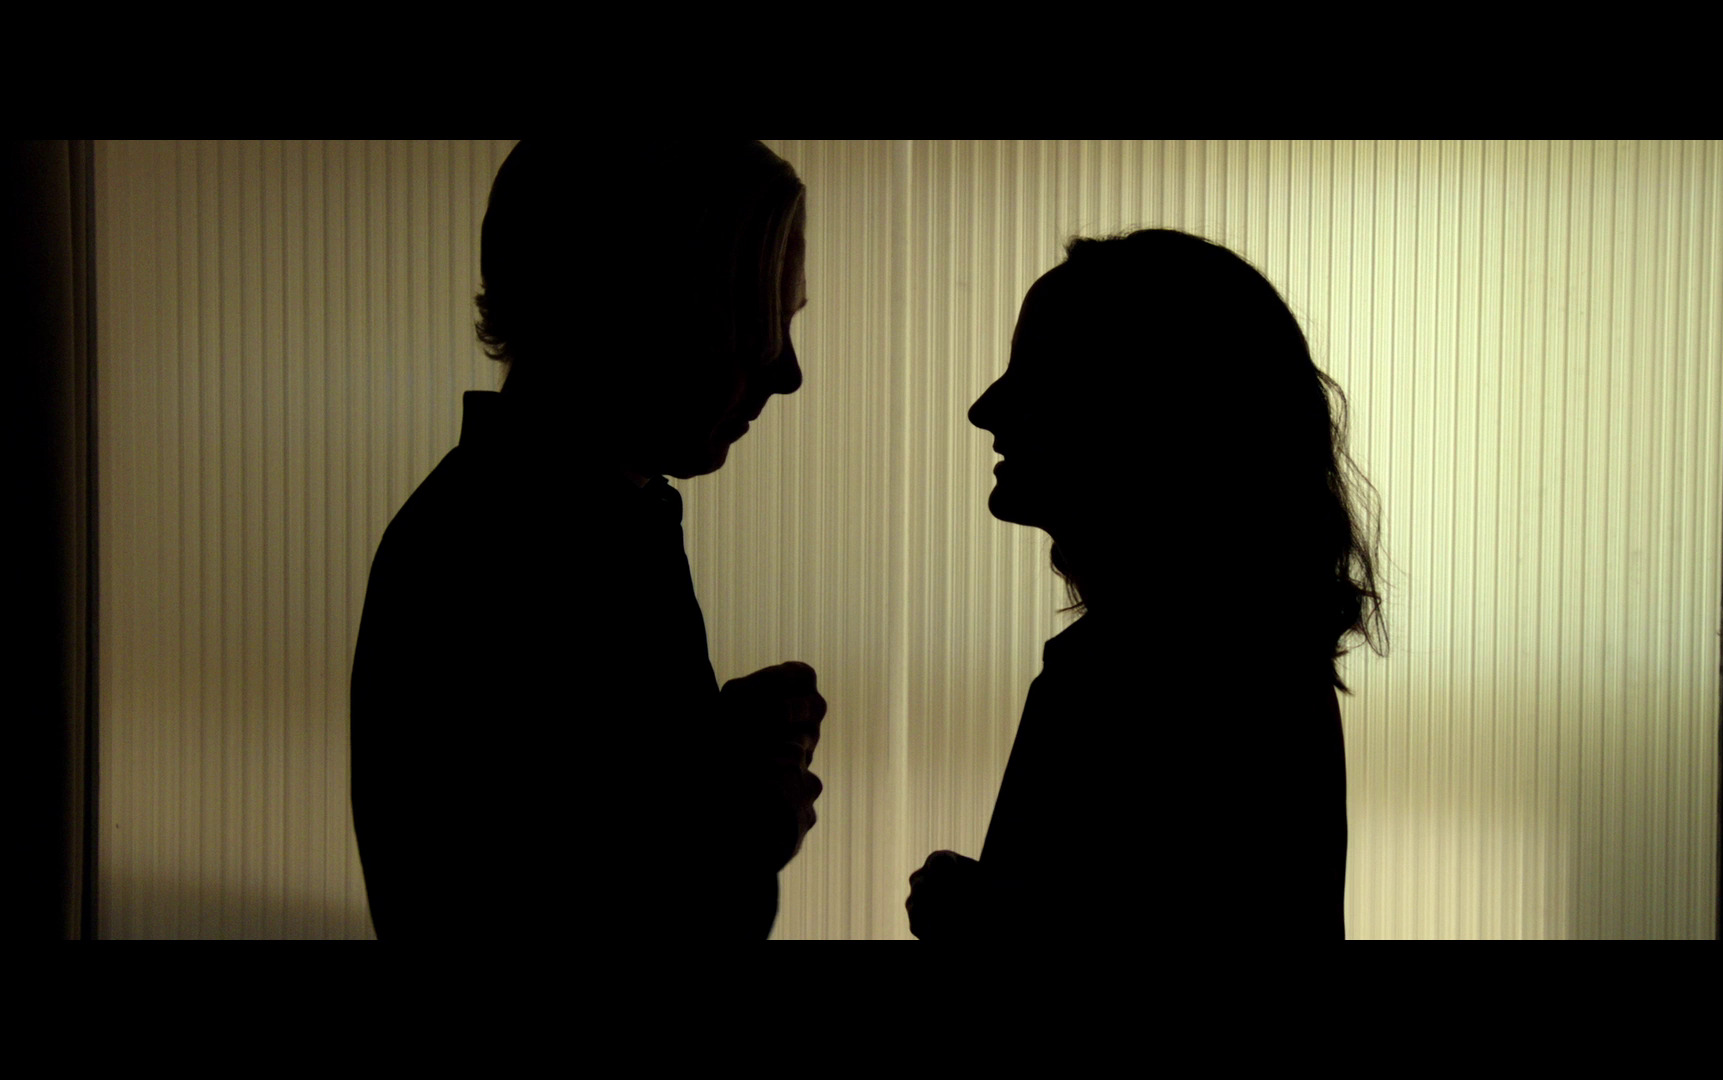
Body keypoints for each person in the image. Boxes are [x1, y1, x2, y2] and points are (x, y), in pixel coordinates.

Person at [350, 141, 824, 940]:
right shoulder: (504, 558)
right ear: (630, 313)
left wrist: (704, 757)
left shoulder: (593, 523)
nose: (786, 372)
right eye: (754, 321)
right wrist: (743, 818)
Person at [904, 228, 1386, 940]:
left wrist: (985, 918)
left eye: (1038, 374)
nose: (986, 408)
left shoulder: (1155, 677)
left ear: (1144, 412)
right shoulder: (1253, 666)